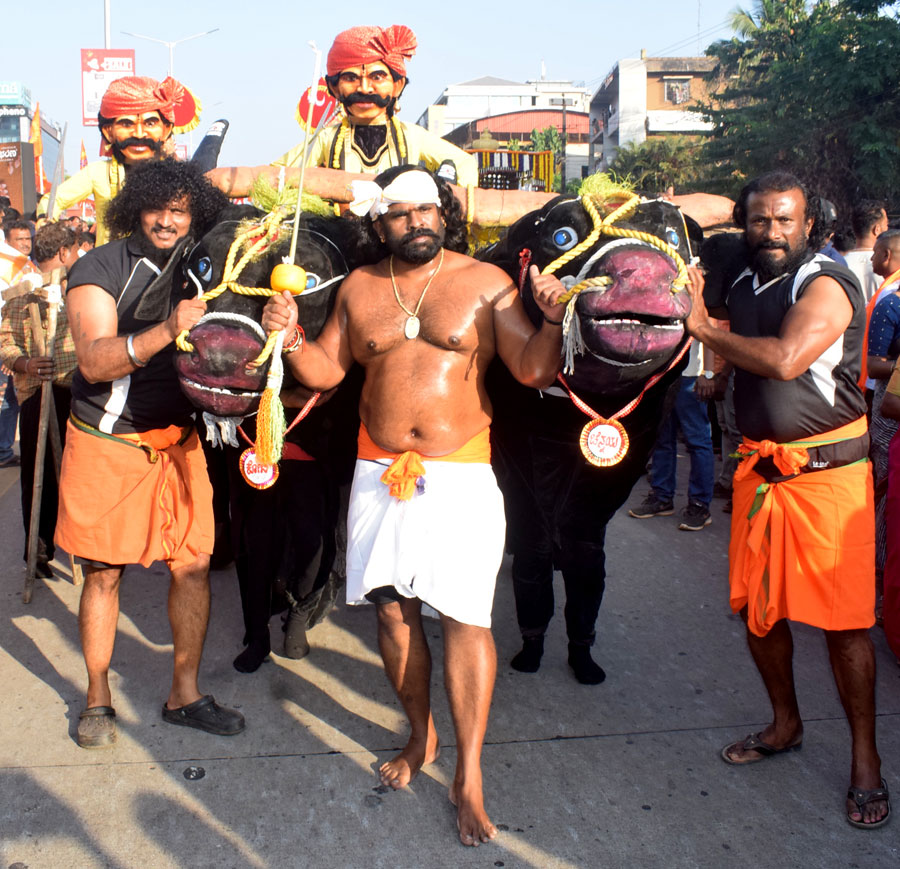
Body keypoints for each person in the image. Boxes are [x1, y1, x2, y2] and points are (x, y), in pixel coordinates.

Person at [261, 165, 566, 846]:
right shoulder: (359, 287)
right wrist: (292, 338)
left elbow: (533, 370)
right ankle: (420, 735)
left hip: (460, 475)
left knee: (464, 618)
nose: (417, 221)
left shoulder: (486, 282)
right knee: (393, 612)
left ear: (444, 214)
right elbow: (327, 373)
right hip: (378, 472)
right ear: (381, 224)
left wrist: (550, 320)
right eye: (400, 212)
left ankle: (470, 774)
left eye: (427, 209)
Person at [684, 171, 888, 829]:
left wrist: (705, 332)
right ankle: (785, 723)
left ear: (809, 224)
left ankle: (865, 759)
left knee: (845, 625)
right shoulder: (743, 278)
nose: (771, 232)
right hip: (761, 474)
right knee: (759, 612)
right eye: (759, 220)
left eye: (784, 220)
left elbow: (785, 358)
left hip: (829, 480)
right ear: (744, 224)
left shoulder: (824, 280)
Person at [55, 159, 244, 749]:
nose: (168, 220)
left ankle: (184, 694)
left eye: (180, 210)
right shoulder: (99, 266)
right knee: (103, 575)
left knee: (193, 566)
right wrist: (167, 328)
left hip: (180, 443)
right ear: (135, 207)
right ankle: (97, 697)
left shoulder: (205, 265)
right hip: (108, 440)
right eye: (157, 207)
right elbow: (93, 362)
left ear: (195, 214)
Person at [273, 25, 476, 188]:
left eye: (377, 77)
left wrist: (445, 200)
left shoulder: (411, 136)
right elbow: (277, 172)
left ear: (397, 85)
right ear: (334, 87)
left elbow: (464, 163)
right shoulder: (327, 138)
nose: (364, 88)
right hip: (341, 225)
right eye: (351, 78)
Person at [0, 223, 80, 575]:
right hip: (38, 394)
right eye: (74, 251)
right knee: (39, 476)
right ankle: (39, 549)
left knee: (80, 474)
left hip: (78, 393)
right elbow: (5, 344)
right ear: (64, 253)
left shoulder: (81, 292)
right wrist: (27, 364)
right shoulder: (22, 296)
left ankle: (84, 546)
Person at [37, 75, 197, 245]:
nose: (139, 134)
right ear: (108, 131)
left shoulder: (176, 175)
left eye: (150, 124)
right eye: (127, 124)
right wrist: (45, 220)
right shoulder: (98, 173)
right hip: (110, 259)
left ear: (165, 130)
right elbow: (54, 200)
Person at [628, 339, 716, 531]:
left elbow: (708, 333)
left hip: (690, 377)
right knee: (662, 438)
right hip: (663, 376)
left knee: (698, 442)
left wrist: (708, 373)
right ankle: (661, 497)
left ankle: (700, 505)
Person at [844, 199, 888, 302]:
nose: (888, 229)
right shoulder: (888, 263)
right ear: (877, 229)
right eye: (886, 225)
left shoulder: (840, 263)